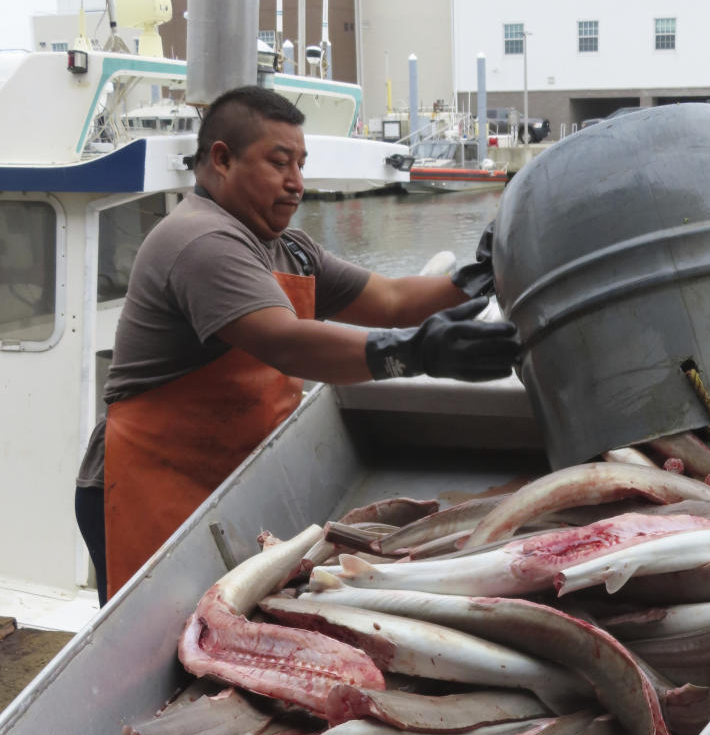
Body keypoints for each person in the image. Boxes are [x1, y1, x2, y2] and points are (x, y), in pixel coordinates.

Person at [75, 85, 517, 603]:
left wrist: (480, 274)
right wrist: (414, 353)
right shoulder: (202, 241)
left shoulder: (289, 250)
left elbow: (394, 299)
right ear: (221, 159)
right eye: (279, 163)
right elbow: (285, 343)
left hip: (223, 478)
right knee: (151, 652)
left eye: (301, 164)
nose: (296, 183)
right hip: (146, 484)